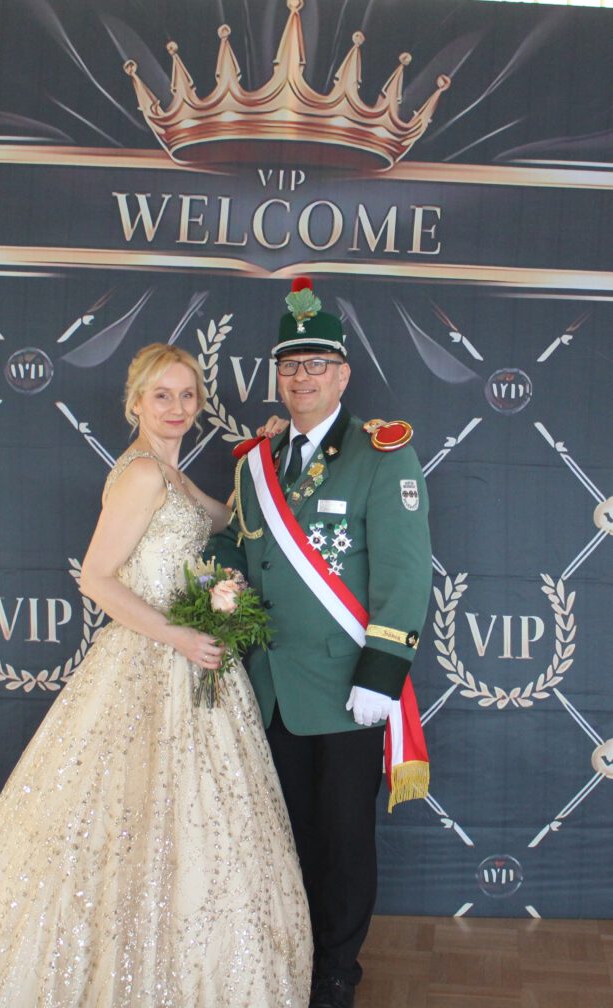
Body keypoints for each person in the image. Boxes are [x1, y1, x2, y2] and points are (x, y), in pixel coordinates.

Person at [0, 343, 313, 1008]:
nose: (177, 407)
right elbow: (98, 578)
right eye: (161, 395)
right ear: (135, 402)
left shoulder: (172, 472)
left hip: (191, 662)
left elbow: (228, 521)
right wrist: (179, 635)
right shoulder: (142, 474)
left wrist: (262, 459)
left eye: (187, 395)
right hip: (153, 659)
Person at [208, 280, 433, 1008]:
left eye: (316, 365)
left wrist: (381, 673)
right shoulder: (255, 462)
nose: (301, 377)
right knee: (279, 836)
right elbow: (242, 555)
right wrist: (213, 591)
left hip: (345, 689)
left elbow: (404, 574)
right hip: (268, 687)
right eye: (289, 365)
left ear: (342, 375)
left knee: (341, 843)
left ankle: (335, 972)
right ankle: (284, 957)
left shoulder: (381, 454)